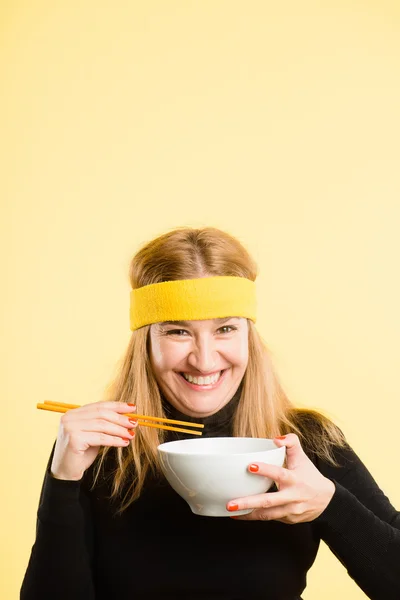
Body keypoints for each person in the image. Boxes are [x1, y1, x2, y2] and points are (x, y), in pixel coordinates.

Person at [21, 227, 400, 600]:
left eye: (224, 329)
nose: (204, 361)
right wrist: (64, 478)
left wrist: (330, 504)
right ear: (145, 344)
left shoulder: (306, 442)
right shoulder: (101, 444)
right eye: (177, 332)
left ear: (248, 336)